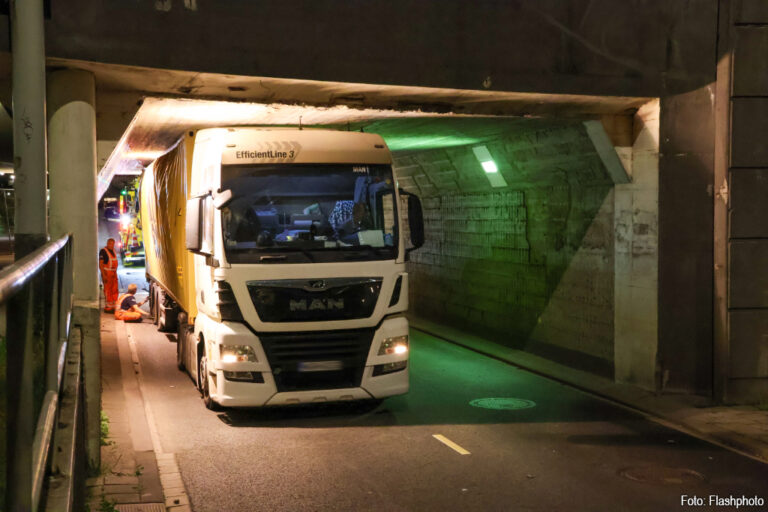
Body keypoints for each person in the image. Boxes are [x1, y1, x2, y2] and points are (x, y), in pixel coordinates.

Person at [99, 238, 119, 312]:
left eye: (113, 244)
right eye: (110, 244)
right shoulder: (103, 251)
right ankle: (108, 307)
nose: (111, 245)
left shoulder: (113, 251)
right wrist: (104, 275)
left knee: (114, 290)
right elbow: (101, 264)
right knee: (108, 290)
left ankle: (113, 306)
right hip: (107, 274)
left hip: (113, 274)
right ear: (107, 243)